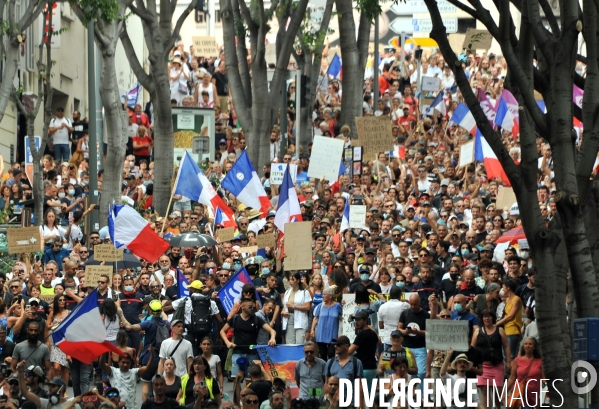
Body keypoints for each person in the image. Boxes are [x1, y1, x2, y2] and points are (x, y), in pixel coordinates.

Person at [220, 298, 276, 377]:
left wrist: (272, 338)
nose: (252, 309)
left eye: (253, 307)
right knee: (236, 378)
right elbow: (222, 331)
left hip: (252, 354)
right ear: (243, 307)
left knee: (250, 379)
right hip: (237, 352)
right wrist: (227, 342)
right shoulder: (235, 318)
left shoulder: (257, 319)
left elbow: (272, 331)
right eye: (250, 307)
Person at [472, 309, 510, 409]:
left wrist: (508, 361)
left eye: (489, 316)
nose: (487, 318)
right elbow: (473, 347)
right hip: (482, 365)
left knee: (497, 392)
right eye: (485, 316)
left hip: (497, 365)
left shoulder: (500, 330)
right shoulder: (477, 331)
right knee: (484, 390)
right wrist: (473, 363)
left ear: (493, 318)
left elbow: (506, 346)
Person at [397, 293, 429, 384]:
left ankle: (422, 394)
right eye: (411, 304)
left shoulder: (426, 314)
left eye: (415, 304)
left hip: (420, 347)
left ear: (420, 303)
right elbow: (399, 328)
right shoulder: (405, 313)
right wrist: (404, 332)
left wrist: (418, 332)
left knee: (422, 372)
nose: (413, 306)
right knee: (406, 372)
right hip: (406, 347)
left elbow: (429, 332)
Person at [324, 336, 363, 407]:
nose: (335, 346)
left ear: (347, 346)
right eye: (335, 344)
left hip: (351, 403)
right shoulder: (330, 362)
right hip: (334, 404)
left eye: (338, 344)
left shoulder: (356, 362)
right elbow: (326, 384)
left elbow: (359, 386)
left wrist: (360, 405)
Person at [506, 338, 544, 409]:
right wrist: (505, 392)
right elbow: (512, 378)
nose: (528, 346)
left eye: (530, 344)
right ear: (523, 346)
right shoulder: (517, 360)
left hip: (534, 393)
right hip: (520, 391)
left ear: (534, 347)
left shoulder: (540, 361)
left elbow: (543, 378)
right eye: (526, 344)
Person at [309, 287, 342, 361]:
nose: (322, 296)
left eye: (324, 294)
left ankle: (330, 370)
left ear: (330, 296)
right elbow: (315, 318)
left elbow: (343, 316)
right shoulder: (320, 306)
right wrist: (312, 330)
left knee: (331, 354)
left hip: (333, 334)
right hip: (321, 333)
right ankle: (323, 371)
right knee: (323, 354)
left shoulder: (337, 306)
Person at [348, 309, 380, 383]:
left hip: (363, 368)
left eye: (359, 320)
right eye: (356, 320)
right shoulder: (372, 333)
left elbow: (349, 351)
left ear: (365, 321)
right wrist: (373, 330)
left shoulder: (362, 335)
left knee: (362, 393)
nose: (356, 322)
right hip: (372, 368)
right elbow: (379, 343)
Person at [282, 272, 312, 344]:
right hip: (289, 317)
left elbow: (308, 307)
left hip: (300, 318)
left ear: (298, 280)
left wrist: (293, 306)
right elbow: (285, 306)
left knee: (300, 342)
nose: (290, 282)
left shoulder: (304, 292)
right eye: (289, 280)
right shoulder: (287, 292)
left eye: (293, 279)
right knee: (290, 342)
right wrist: (283, 312)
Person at [378, 285, 410, 351]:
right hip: (401, 339)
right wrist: (407, 301)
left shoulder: (382, 307)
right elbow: (414, 308)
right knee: (402, 360)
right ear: (400, 295)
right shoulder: (405, 305)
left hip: (388, 339)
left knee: (387, 360)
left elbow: (381, 326)